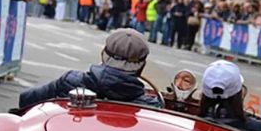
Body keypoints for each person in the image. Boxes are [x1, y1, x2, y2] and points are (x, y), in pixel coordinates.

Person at [18, 29, 162, 109]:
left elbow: (26, 100)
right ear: (142, 66)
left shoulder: (70, 81)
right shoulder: (149, 106)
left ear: (103, 54)